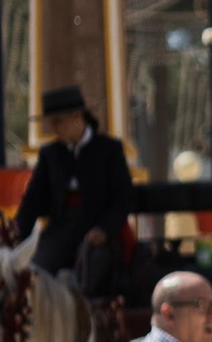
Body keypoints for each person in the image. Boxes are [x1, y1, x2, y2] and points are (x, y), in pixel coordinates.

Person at [14, 85, 135, 297]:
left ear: (77, 116)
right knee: (35, 273)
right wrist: (16, 235)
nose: (53, 128)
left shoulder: (109, 149)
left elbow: (123, 198)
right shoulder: (50, 154)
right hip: (60, 231)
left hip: (97, 234)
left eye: (58, 121)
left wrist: (104, 230)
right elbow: (33, 200)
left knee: (90, 275)